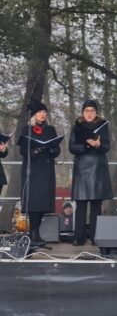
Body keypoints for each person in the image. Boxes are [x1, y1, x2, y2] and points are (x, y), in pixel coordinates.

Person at [69, 100, 113, 246]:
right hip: (81, 168)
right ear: (82, 112)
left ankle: (95, 236)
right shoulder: (76, 126)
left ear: (96, 113)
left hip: (98, 168)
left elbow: (107, 146)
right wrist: (86, 146)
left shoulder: (103, 125)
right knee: (80, 204)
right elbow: (71, 147)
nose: (89, 113)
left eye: (92, 111)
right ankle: (79, 237)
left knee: (96, 204)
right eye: (86, 111)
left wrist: (99, 144)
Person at [17, 101, 61, 243]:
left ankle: (36, 231)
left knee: (43, 202)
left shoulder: (51, 130)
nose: (43, 115)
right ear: (34, 115)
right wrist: (34, 151)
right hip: (32, 169)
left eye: (44, 112)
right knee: (33, 202)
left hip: (46, 170)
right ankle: (33, 233)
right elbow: (22, 150)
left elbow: (57, 149)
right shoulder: (27, 129)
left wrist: (52, 149)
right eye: (40, 112)